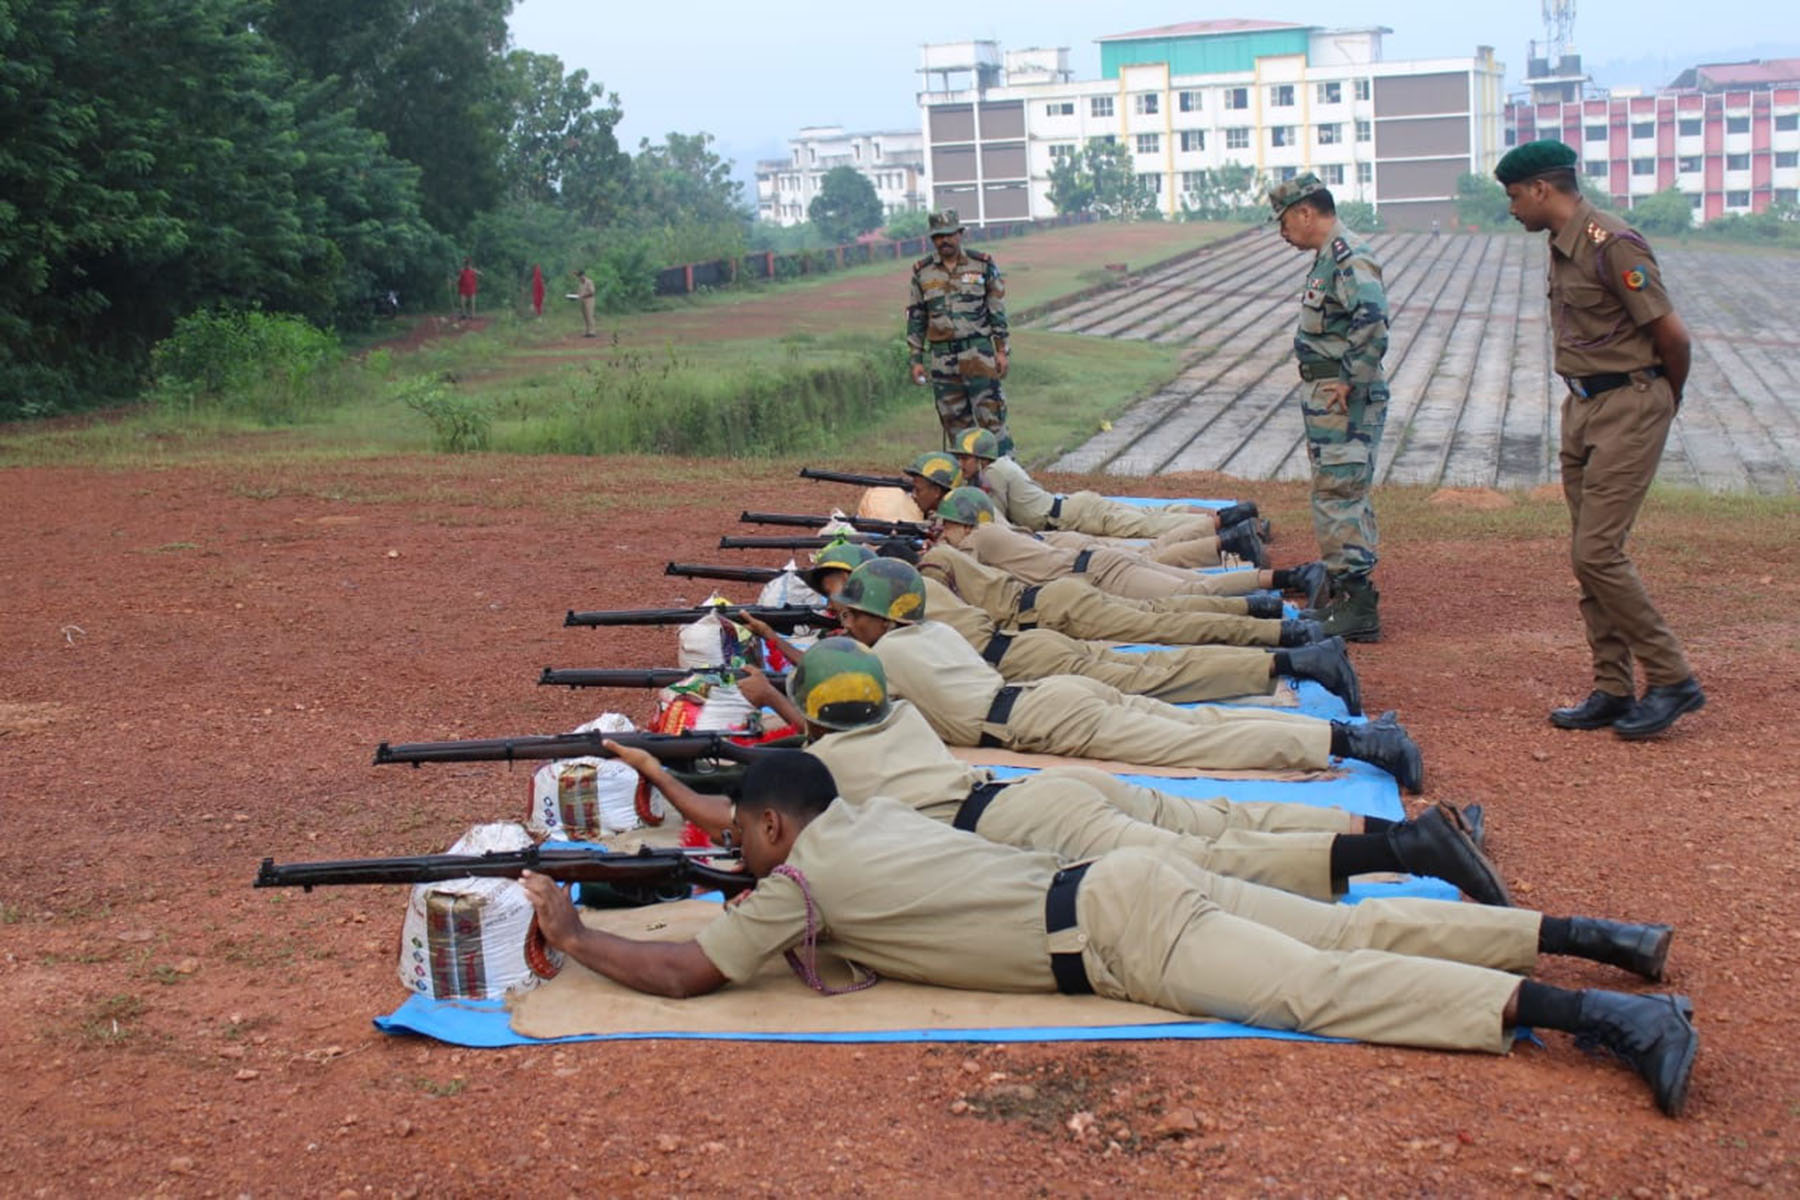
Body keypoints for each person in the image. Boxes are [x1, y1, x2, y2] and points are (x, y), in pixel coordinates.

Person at [520, 752, 1699, 1117]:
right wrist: (674, 786)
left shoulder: (796, 891)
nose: (740, 863)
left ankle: (1609, 1015)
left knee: (1326, 989)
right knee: (1351, 930)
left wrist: (572, 933)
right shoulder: (861, 816)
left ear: (777, 827)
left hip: (1123, 937)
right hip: (1122, 877)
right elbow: (750, 822)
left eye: (747, 842)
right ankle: (1607, 939)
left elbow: (680, 969)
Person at [630, 642, 1497, 904]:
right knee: (1223, 822)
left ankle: (1419, 848)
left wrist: (657, 774)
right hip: (1034, 796)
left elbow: (731, 808)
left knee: (1220, 859)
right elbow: (808, 735)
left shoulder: (814, 767)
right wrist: (783, 697)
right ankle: (1409, 837)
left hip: (1027, 824)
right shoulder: (899, 718)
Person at [829, 557, 1425, 791]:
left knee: (1199, 739)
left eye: (852, 615)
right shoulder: (928, 632)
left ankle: (1360, 741)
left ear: (878, 615)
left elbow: (836, 713)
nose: (845, 624)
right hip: (1047, 694)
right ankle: (1362, 730)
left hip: (1041, 714)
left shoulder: (882, 660)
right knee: (1199, 718)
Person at [1496, 140, 1705, 740]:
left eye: (1514, 196)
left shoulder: (1612, 245)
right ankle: (1613, 686)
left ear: (1541, 189)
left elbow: (1674, 336)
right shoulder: (1561, 249)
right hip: (1583, 406)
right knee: (1589, 556)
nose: (1512, 209)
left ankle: (1672, 678)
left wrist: (1664, 399)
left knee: (1598, 552)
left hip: (1630, 403)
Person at [1268, 173, 1391, 642]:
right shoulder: (1327, 258)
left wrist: (1349, 379)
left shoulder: (1348, 256)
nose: (1282, 233)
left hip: (1342, 397)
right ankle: (1346, 597)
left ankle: (1357, 608)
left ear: (1305, 212)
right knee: (1337, 493)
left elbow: (1373, 320)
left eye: (1284, 221)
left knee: (1339, 495)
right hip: (1326, 396)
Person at [934, 486, 1328, 606]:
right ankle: (1290, 577)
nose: (943, 530)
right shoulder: (991, 534)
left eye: (947, 523)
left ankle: (1290, 581)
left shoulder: (980, 539)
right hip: (1095, 564)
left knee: (1190, 591)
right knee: (1188, 580)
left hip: (1098, 571)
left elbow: (953, 562)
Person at [951, 428, 1265, 560]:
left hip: (1077, 515)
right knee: (1155, 515)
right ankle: (1233, 517)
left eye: (963, 458)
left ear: (980, 459)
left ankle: (1232, 526)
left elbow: (996, 524)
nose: (960, 464)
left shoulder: (991, 476)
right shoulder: (1002, 466)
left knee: (1151, 526)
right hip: (1077, 507)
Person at [906, 210, 1013, 454]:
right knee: (956, 428)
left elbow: (996, 310)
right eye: (938, 236)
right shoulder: (922, 272)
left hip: (979, 355)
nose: (944, 240)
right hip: (943, 361)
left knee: (992, 422)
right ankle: (966, 487)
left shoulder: (982, 264)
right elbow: (917, 317)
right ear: (932, 239)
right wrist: (916, 359)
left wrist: (1001, 351)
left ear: (960, 234)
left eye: (949, 234)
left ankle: (1005, 480)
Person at [574, 268, 597, 338]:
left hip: (589, 300)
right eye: (578, 276)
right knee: (585, 316)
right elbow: (579, 293)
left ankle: (592, 331)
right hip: (582, 300)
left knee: (590, 315)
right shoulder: (580, 283)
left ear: (583, 275)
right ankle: (587, 331)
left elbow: (592, 292)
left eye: (580, 276)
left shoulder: (589, 282)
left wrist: (583, 295)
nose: (579, 277)